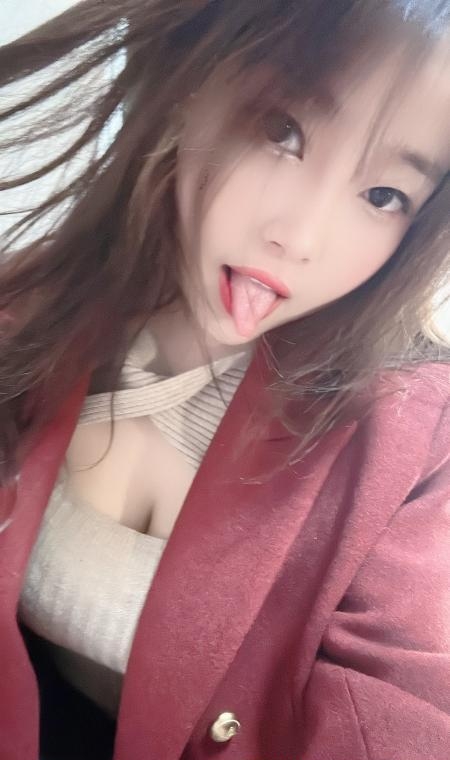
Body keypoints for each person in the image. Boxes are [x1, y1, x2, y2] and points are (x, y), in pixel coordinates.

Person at [0, 1, 449, 758]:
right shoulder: (34, 309)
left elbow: (401, 698)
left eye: (383, 197)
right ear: (191, 84)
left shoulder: (412, 437)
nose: (299, 238)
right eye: (282, 130)